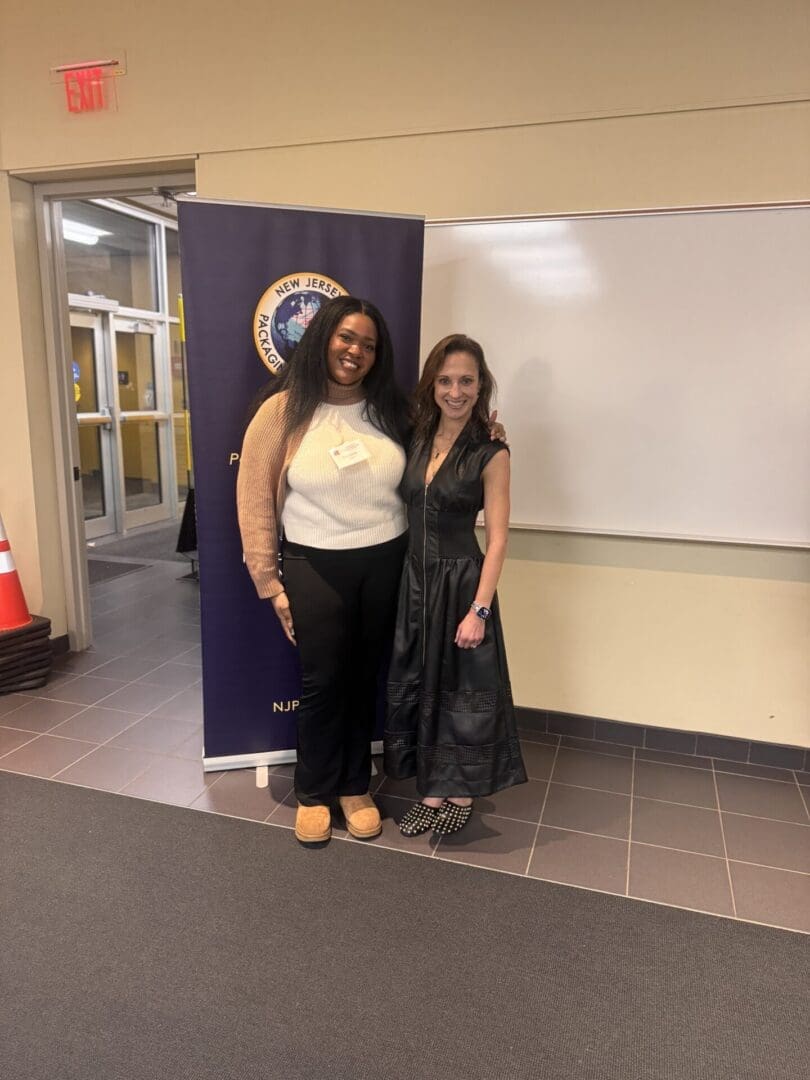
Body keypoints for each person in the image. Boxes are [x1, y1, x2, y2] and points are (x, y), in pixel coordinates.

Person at [237, 296, 411, 846]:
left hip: (385, 560)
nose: (355, 351)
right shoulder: (283, 412)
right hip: (314, 564)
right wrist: (270, 583)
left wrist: (490, 439)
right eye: (346, 338)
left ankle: (355, 786)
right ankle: (313, 791)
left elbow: (443, 456)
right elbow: (254, 500)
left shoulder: (392, 411)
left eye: (367, 344)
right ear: (322, 340)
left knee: (365, 679)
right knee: (322, 682)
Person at [384, 334, 527, 837]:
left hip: (462, 583)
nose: (455, 391)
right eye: (445, 380)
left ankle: (460, 789)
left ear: (480, 384)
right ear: (432, 385)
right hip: (414, 581)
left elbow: (500, 538)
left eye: (466, 380)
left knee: (461, 691)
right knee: (426, 685)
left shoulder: (492, 451)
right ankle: (431, 787)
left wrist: (479, 610)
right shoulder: (417, 438)